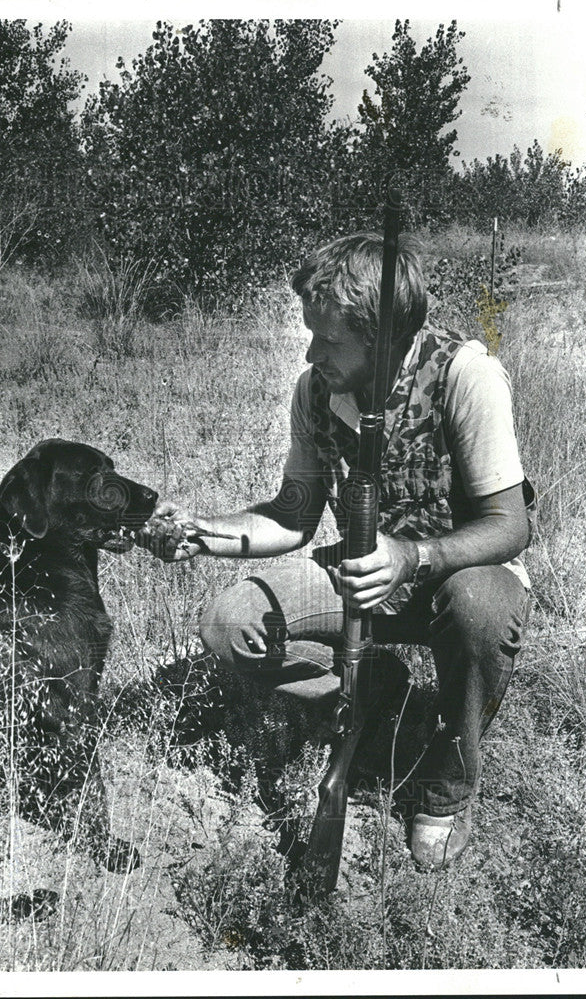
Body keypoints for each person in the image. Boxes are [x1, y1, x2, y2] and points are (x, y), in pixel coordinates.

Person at [136, 231, 534, 869]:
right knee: (229, 624)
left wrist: (410, 557)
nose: (311, 351)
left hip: (458, 573)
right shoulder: (313, 391)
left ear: (382, 340)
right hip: (356, 576)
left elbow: (510, 526)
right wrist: (202, 533)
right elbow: (294, 516)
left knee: (481, 611)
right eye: (310, 334)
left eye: (328, 339)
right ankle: (371, 696)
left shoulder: (465, 375)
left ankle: (447, 777)